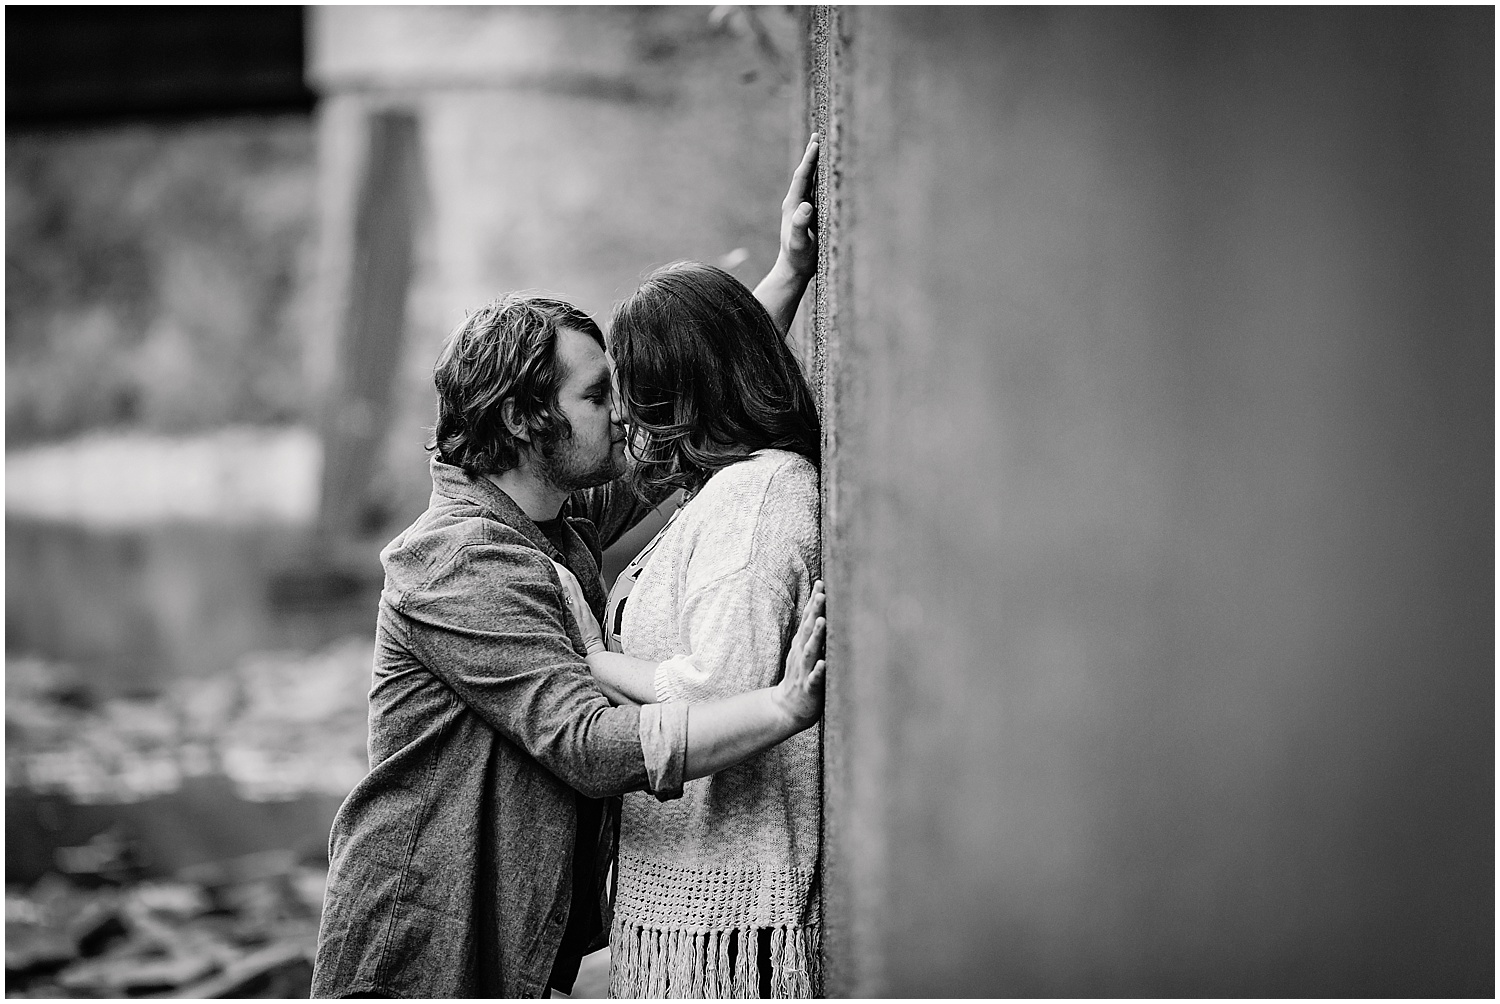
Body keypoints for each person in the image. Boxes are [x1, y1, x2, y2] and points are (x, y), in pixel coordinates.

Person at [310, 137, 826, 999]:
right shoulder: (457, 561)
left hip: (509, 935)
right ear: (523, 419)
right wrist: (779, 707)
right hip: (422, 947)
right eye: (596, 396)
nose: (625, 416)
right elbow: (585, 743)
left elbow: (701, 416)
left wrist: (787, 276)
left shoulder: (553, 515)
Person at [574, 255, 824, 997]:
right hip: (691, 899)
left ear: (676, 394)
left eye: (633, 391)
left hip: (731, 913)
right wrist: (789, 270)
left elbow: (722, 686)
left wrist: (591, 659)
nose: (622, 416)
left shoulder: (755, 497)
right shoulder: (724, 489)